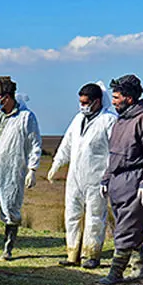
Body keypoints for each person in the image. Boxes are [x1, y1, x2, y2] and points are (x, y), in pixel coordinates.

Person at [100, 74, 143, 285]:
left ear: (129, 98)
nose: (114, 101)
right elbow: (113, 154)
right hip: (118, 183)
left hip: (135, 182)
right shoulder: (120, 120)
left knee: (126, 230)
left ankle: (115, 273)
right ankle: (139, 270)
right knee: (128, 228)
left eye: (117, 97)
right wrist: (106, 179)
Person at [47, 83, 116, 268]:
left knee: (94, 216)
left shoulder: (109, 120)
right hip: (75, 177)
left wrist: (108, 177)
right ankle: (72, 253)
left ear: (97, 101)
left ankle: (91, 255)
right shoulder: (78, 119)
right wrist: (56, 164)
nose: (82, 106)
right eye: (80, 102)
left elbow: (114, 151)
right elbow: (67, 143)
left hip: (96, 178)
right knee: (71, 214)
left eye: (86, 102)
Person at [0, 76, 41, 260]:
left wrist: (32, 169)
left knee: (10, 209)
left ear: (7, 97)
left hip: (12, 171)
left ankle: (7, 249)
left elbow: (34, 144)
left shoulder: (25, 117)